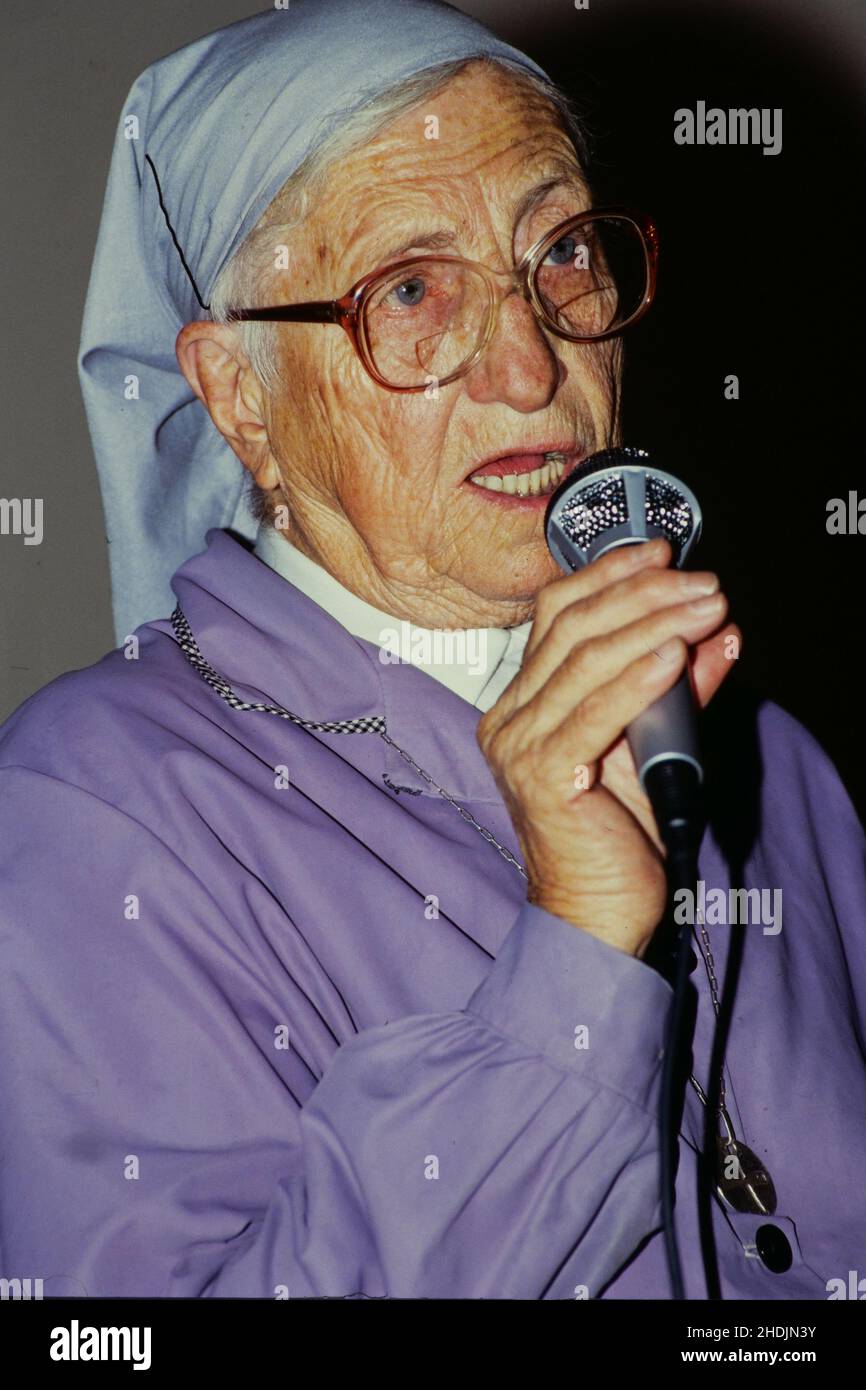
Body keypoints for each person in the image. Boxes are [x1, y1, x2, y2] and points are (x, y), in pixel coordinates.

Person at [1, 0, 864, 1300]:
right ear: (239, 394)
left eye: (560, 252)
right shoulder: (90, 805)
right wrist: (574, 944)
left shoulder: (759, 747)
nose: (529, 367)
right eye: (410, 289)